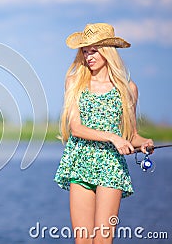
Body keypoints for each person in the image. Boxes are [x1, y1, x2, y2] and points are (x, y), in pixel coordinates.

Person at [54, 23, 154, 244]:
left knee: (103, 240)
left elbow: (130, 135)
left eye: (94, 50)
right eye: (85, 51)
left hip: (110, 166)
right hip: (80, 163)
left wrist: (143, 142)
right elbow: (76, 128)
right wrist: (112, 137)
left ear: (108, 51)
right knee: (82, 241)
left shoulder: (128, 89)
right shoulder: (75, 82)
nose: (89, 56)